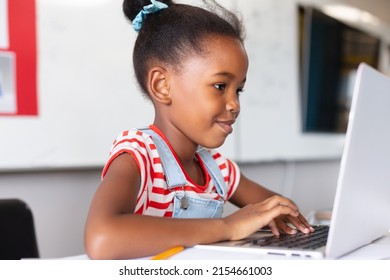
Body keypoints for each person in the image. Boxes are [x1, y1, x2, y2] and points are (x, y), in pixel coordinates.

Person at [84, 0, 314, 260]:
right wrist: (228, 226)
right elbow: (101, 238)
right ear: (162, 86)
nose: (235, 104)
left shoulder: (217, 169)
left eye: (238, 90)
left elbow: (277, 209)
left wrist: (280, 212)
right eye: (220, 86)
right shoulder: (138, 157)